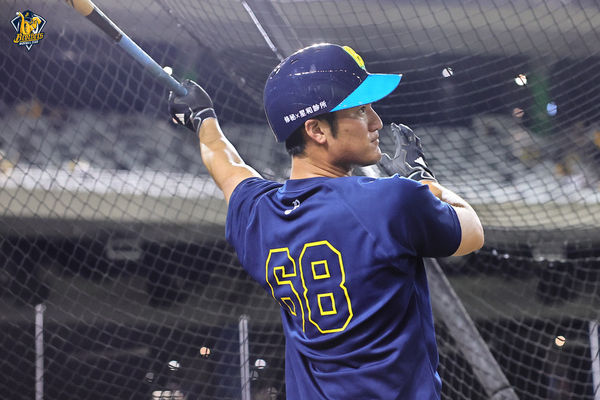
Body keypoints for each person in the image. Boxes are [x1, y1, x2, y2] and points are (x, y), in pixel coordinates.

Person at [169, 43, 484, 400]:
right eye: (361, 110)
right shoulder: (392, 200)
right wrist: (425, 181)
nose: (376, 122)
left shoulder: (259, 213)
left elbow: (226, 166)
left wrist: (203, 119)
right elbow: (472, 232)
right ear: (316, 130)